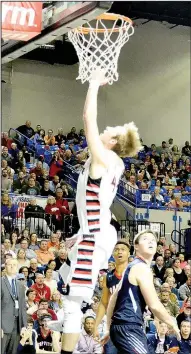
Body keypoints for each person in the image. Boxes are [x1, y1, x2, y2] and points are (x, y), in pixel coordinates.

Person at [54, 68, 142, 354]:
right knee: (62, 282)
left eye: (110, 131)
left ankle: (67, 341)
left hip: (96, 236)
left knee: (73, 304)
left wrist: (93, 85)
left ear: (113, 142)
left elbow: (87, 119)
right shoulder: (112, 162)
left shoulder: (105, 158)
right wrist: (81, 234)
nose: (105, 130)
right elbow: (96, 204)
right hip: (93, 233)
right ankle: (59, 326)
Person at [104, 230, 180, 354]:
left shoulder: (131, 267)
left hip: (121, 327)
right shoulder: (141, 268)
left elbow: (113, 299)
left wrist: (108, 328)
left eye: (153, 240)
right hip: (128, 326)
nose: (150, 241)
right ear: (136, 247)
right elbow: (154, 305)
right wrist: (172, 323)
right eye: (145, 239)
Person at [93, 240, 130, 354]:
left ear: (129, 253)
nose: (119, 252)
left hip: (131, 325)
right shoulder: (108, 277)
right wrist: (95, 326)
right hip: (114, 325)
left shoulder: (135, 273)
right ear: (113, 254)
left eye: (123, 249)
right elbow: (104, 303)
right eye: (117, 249)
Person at [1, 258, 27, 354]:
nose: (12, 267)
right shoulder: (1, 282)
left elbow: (23, 306)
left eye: (14, 265)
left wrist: (24, 326)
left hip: (17, 326)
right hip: (3, 326)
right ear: (5, 267)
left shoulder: (20, 284)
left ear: (17, 267)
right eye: (9, 264)